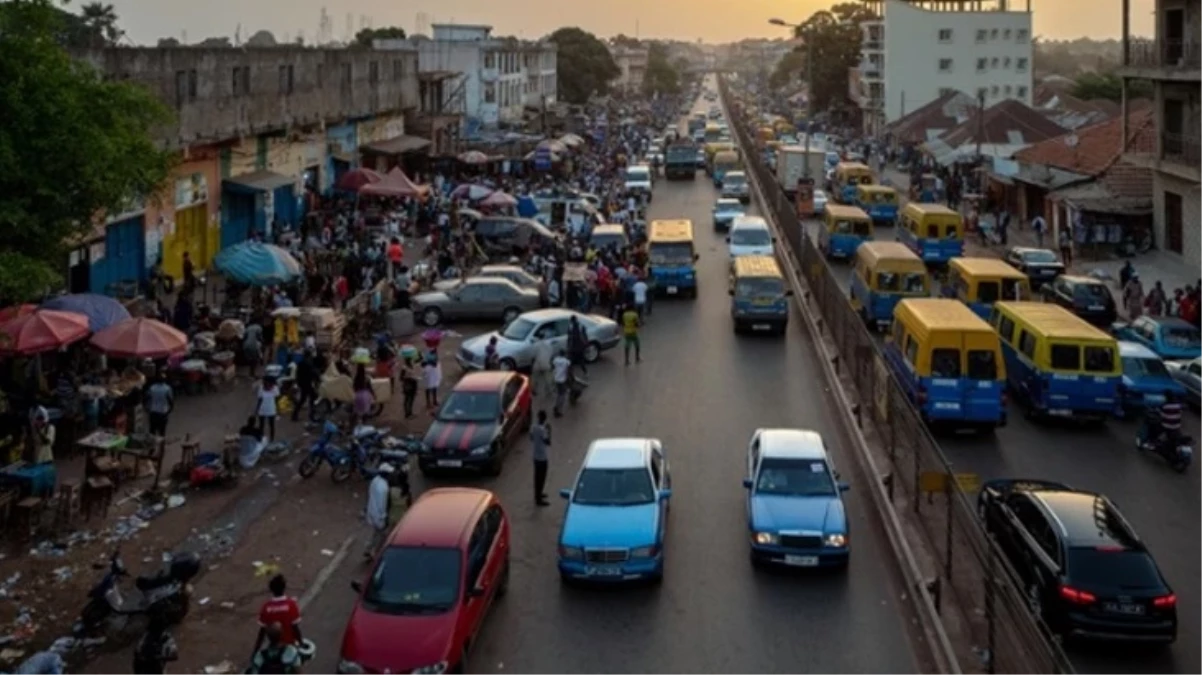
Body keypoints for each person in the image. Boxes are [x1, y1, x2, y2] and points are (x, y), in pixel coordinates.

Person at [252, 574, 303, 659]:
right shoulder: (291, 605)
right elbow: (295, 628)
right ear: (284, 587)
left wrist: (255, 651)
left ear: (271, 589)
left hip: (273, 648)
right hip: (290, 646)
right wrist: (301, 643)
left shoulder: (266, 607)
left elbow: (262, 633)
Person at [365, 463, 395, 557]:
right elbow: (382, 504)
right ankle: (374, 552)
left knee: (376, 534)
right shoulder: (383, 488)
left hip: (371, 511)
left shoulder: (375, 481)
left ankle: (369, 549)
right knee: (381, 535)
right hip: (379, 515)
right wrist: (384, 517)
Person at [530, 410, 551, 506]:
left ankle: (538, 494)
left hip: (535, 456)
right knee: (541, 477)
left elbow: (531, 438)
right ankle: (538, 499)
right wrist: (549, 431)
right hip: (542, 457)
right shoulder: (543, 430)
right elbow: (548, 442)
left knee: (537, 477)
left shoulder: (534, 427)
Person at [145, 374, 174, 438]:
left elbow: (146, 398)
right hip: (163, 412)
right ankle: (162, 447)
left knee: (152, 431)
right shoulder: (167, 388)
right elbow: (170, 401)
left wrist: (147, 409)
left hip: (153, 412)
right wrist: (169, 410)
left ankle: (152, 447)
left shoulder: (152, 388)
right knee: (162, 432)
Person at [255, 376, 281, 443]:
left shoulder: (275, 388)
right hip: (262, 409)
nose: (264, 383)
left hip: (271, 409)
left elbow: (276, 400)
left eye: (266, 382)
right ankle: (261, 439)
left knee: (271, 425)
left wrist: (278, 410)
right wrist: (257, 410)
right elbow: (260, 400)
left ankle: (272, 439)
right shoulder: (261, 388)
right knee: (261, 425)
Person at [551, 349, 572, 418]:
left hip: (556, 379)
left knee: (558, 393)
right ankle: (558, 409)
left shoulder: (555, 360)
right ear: (564, 354)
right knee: (562, 395)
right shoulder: (566, 361)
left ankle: (556, 406)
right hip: (562, 380)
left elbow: (553, 366)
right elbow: (569, 370)